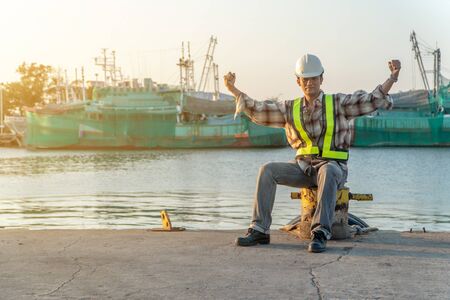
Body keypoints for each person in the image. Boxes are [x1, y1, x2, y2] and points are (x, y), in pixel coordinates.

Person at [224, 54, 400, 253]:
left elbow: (371, 100)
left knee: (328, 170)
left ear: (322, 79)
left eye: (314, 78)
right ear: (298, 81)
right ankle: (259, 229)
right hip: (304, 170)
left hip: (334, 169)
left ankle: (320, 232)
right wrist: (233, 90)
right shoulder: (290, 109)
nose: (309, 83)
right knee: (267, 170)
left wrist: (392, 78)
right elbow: (258, 110)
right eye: (305, 79)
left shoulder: (339, 104)